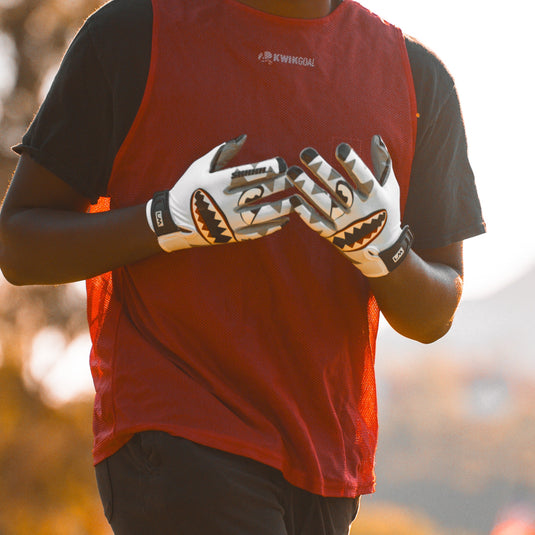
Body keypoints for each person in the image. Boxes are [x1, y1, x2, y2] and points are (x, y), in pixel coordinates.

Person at [0, 0, 486, 533]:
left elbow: (435, 313)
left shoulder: (418, 79)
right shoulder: (133, 33)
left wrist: (385, 249)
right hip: (175, 433)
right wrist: (167, 221)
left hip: (323, 463)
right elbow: (18, 245)